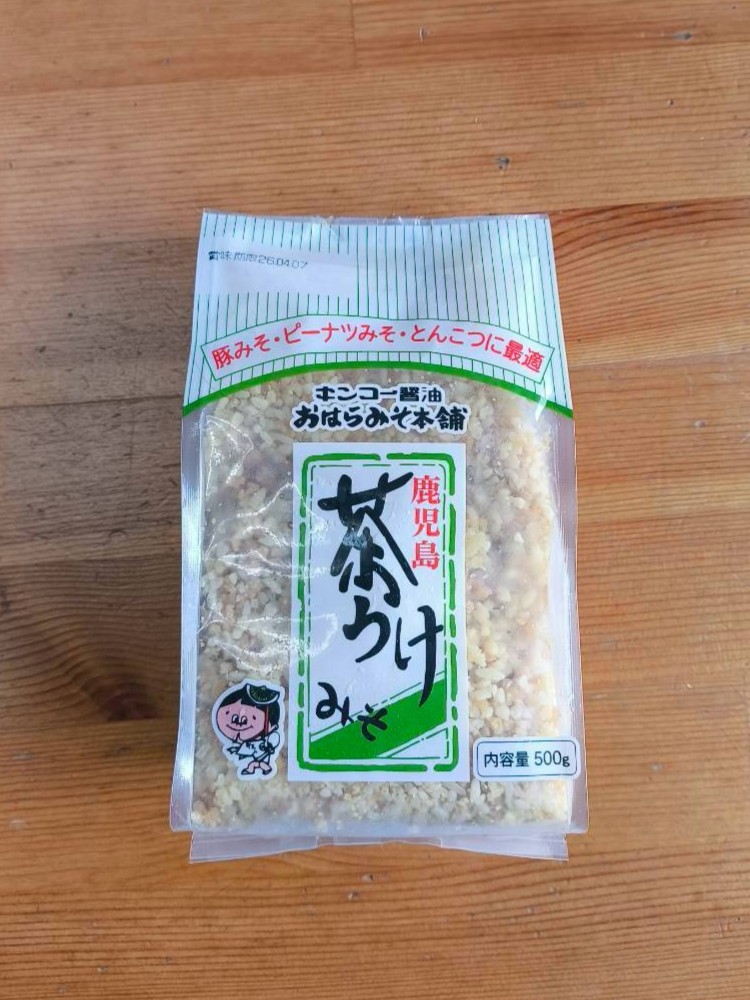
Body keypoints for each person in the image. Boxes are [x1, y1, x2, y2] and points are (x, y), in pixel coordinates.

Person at [213, 681, 283, 777]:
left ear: (272, 726)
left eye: (254, 718)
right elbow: (245, 748)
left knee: (257, 763)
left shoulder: (270, 737)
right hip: (252, 756)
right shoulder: (245, 742)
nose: (240, 721)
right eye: (228, 714)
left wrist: (269, 746)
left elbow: (274, 738)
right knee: (255, 763)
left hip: (261, 755)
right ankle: (258, 768)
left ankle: (261, 768)